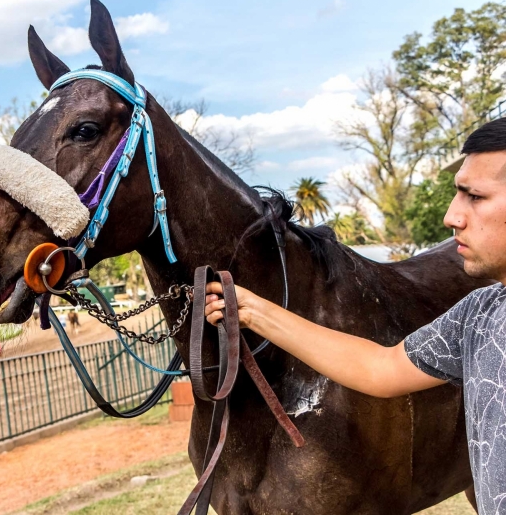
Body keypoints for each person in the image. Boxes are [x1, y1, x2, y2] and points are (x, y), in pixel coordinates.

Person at [203, 118, 506, 514]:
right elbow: (381, 366)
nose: (452, 216)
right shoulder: (478, 315)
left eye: (475, 197)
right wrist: (255, 312)